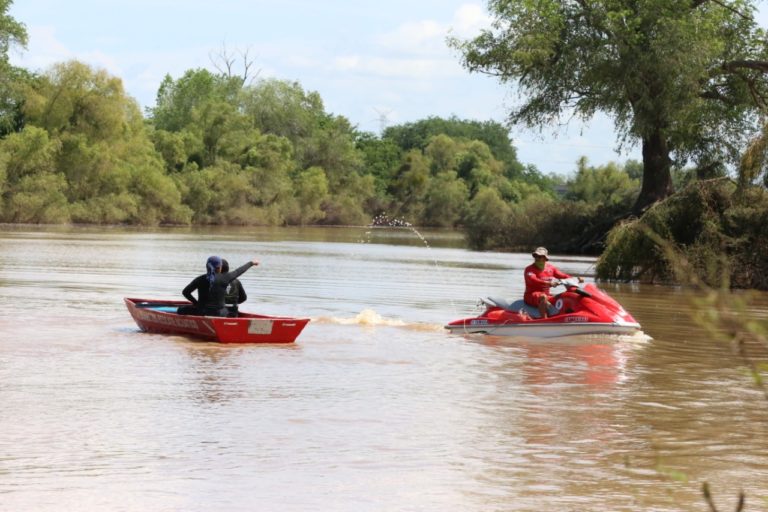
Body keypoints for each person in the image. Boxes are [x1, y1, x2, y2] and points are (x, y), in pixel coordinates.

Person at [178, 256, 259, 317]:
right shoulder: (225, 278)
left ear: (207, 266)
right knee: (228, 312)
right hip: (220, 314)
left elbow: (185, 292)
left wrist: (196, 303)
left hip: (202, 312)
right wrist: (251, 263)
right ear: (220, 267)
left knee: (180, 309)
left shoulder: (200, 279)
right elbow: (239, 271)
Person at [523, 247, 582, 318]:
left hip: (546, 295)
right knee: (543, 297)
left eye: (540, 256)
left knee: (564, 296)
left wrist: (576, 279)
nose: (537, 258)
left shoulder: (551, 268)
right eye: (535, 256)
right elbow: (533, 279)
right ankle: (544, 320)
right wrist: (548, 283)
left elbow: (563, 276)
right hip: (530, 295)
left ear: (545, 258)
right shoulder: (529, 269)